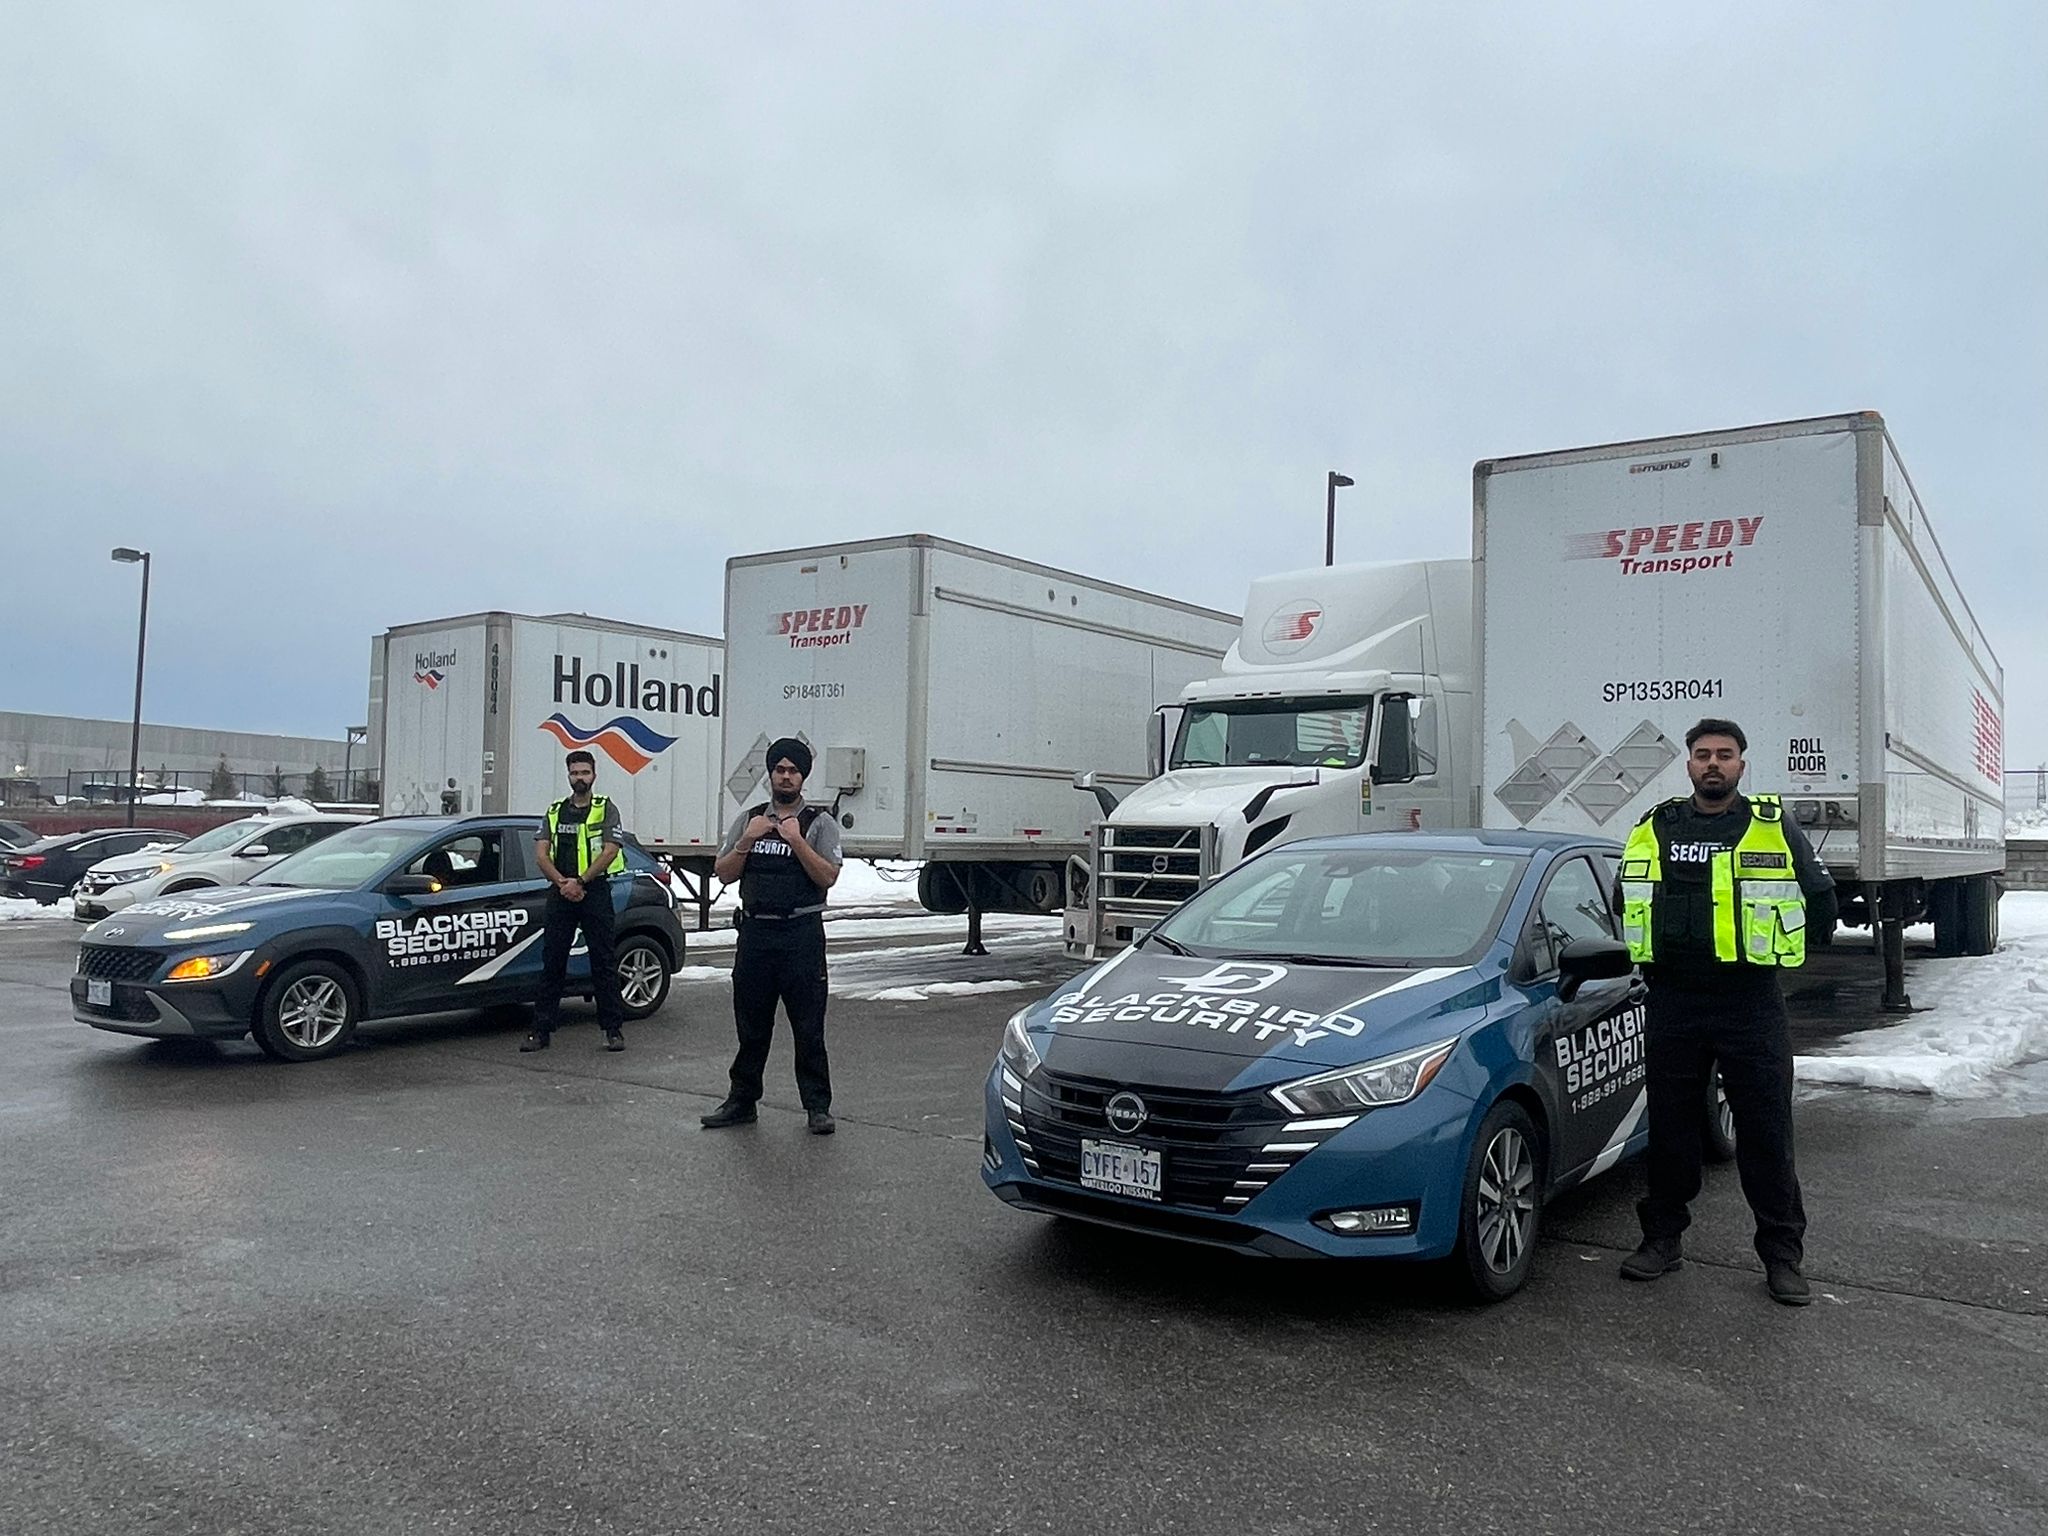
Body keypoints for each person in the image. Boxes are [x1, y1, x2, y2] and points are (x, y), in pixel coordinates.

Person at [1614, 718, 1838, 1305]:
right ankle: (1662, 1241)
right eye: (1702, 754)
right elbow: (1624, 900)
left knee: (1766, 1135)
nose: (1713, 764)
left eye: (1725, 754)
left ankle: (1783, 1258)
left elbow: (1820, 899)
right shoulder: (1657, 826)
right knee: (1670, 1130)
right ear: (1688, 764)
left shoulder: (1769, 826)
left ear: (1742, 764)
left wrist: (1787, 961)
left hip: (1749, 1004)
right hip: (1674, 1002)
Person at [701, 737, 843, 1134]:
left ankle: (817, 1107)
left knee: (808, 1027)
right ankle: (742, 1101)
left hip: (800, 934)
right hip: (756, 934)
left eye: (792, 770)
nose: (785, 776)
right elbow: (724, 872)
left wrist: (796, 840)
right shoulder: (749, 819)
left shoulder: (819, 823)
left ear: (802, 777)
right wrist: (749, 839)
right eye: (779, 769)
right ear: (770, 775)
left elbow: (827, 877)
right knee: (751, 1025)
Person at [522, 749, 628, 1053]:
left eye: (584, 772)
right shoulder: (555, 810)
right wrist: (563, 883)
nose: (579, 778)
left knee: (603, 962)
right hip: (561, 891)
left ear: (594, 774)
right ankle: (541, 1031)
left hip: (593, 891)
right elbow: (541, 854)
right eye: (574, 773)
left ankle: (612, 1030)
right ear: (568, 775)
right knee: (552, 961)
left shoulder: (606, 808)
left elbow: (610, 850)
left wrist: (581, 882)